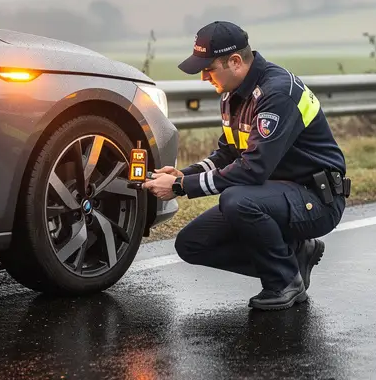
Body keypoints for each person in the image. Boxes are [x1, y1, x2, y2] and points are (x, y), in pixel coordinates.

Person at [142, 20, 349, 311]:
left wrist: (180, 187)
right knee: (191, 243)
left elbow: (253, 169)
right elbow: (227, 153)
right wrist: (184, 174)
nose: (203, 77)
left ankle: (284, 282)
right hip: (274, 194)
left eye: (208, 68)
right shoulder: (233, 94)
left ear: (236, 62)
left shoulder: (277, 94)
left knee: (237, 201)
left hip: (316, 199)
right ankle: (294, 255)